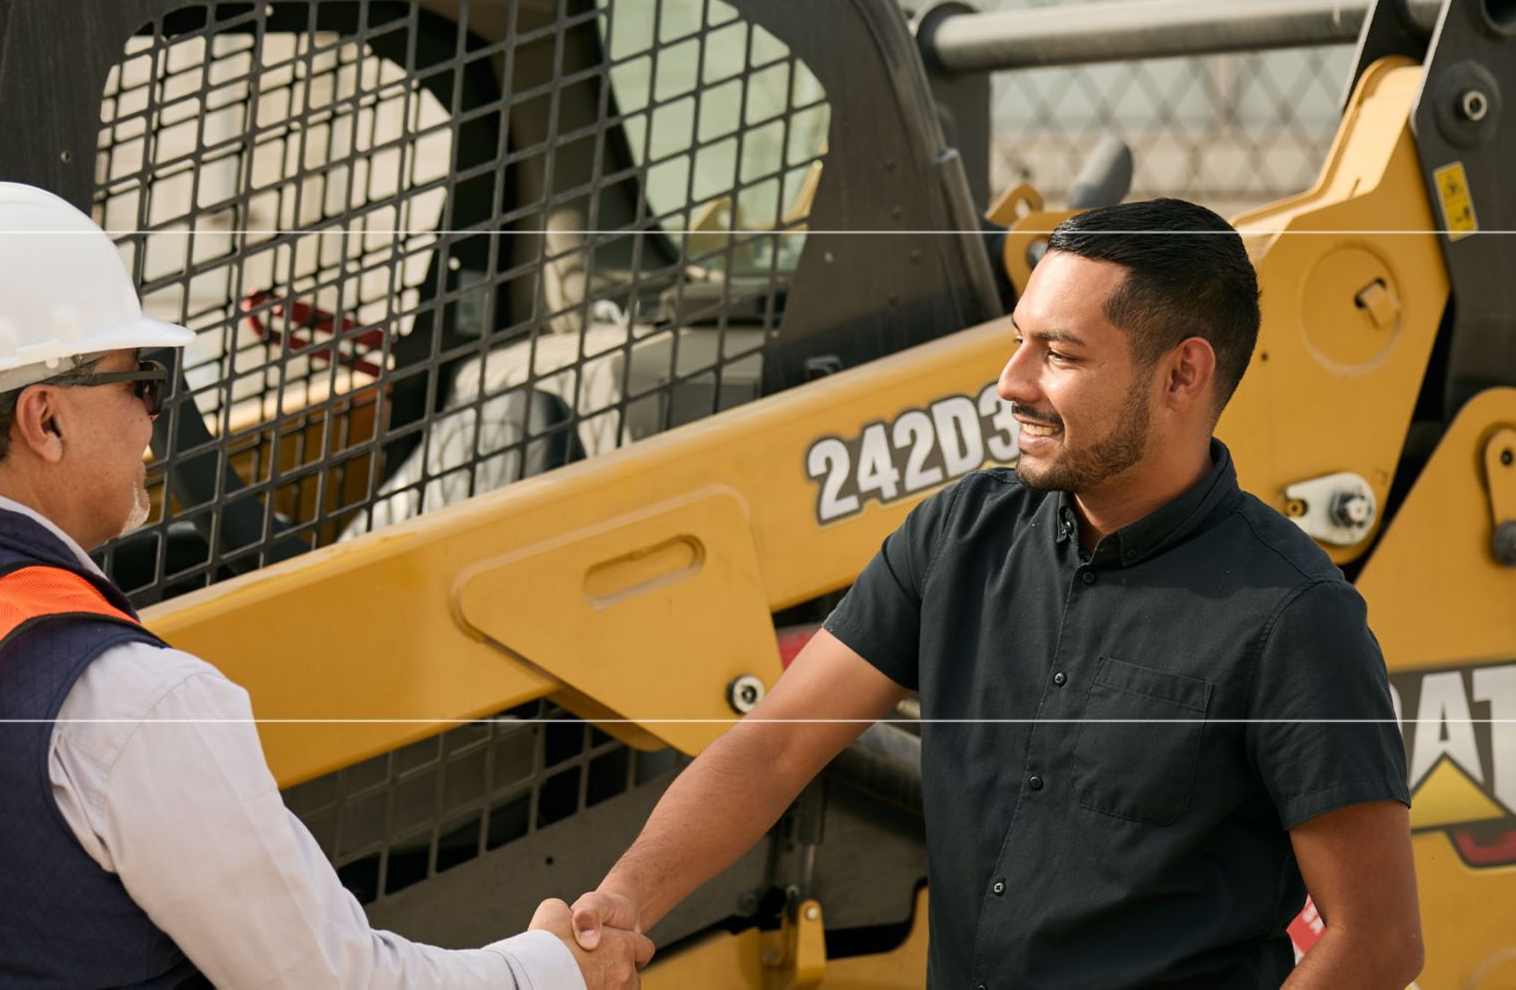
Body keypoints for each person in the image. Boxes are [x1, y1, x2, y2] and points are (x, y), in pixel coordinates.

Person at [0, 181, 650, 988]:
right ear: (44, 418)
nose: (151, 422)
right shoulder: (122, 701)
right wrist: (550, 970)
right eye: (144, 386)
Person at [569, 198, 1423, 987]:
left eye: (1058, 352)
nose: (1012, 381)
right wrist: (625, 898)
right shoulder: (957, 535)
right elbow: (774, 749)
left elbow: (1375, 941)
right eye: (1019, 340)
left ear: (1182, 375)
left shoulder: (1294, 617)